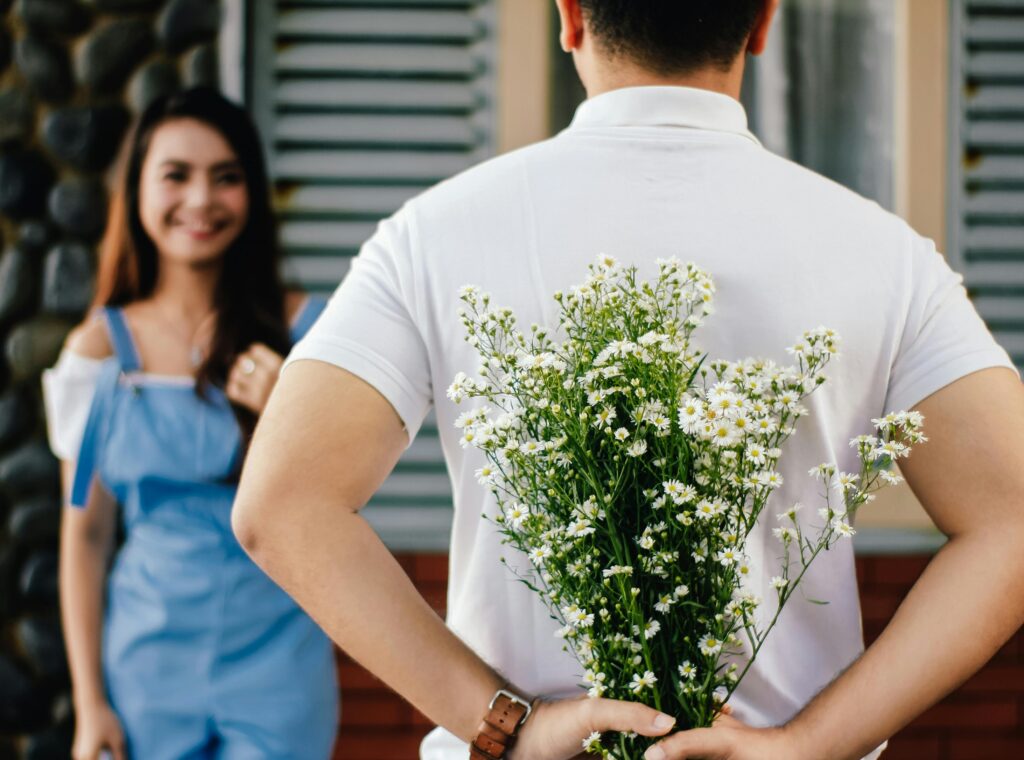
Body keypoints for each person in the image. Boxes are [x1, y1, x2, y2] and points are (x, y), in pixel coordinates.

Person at [231, 2, 1024, 759]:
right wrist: (807, 746)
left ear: (569, 15)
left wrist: (507, 727)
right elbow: (1013, 522)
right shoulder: (883, 253)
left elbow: (281, 504)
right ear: (762, 22)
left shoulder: (434, 234)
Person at [43, 88, 338, 760]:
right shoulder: (96, 351)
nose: (201, 200)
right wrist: (91, 705)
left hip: (282, 659)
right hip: (145, 666)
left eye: (226, 177)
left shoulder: (311, 334)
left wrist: (286, 412)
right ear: (138, 190)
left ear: (253, 195)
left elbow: (344, 500)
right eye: (176, 175)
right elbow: (84, 535)